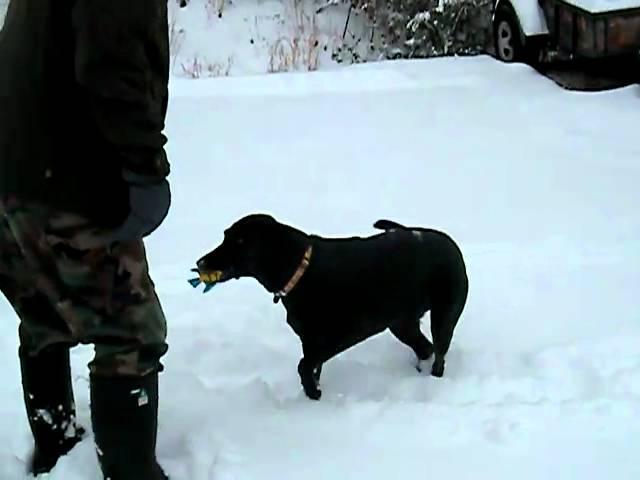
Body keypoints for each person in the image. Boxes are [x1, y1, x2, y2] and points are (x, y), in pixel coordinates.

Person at [0, 0, 172, 478]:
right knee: (131, 330)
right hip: (64, 175)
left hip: (13, 168)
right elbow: (110, 62)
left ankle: (57, 452)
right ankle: (128, 471)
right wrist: (144, 168)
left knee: (43, 313)